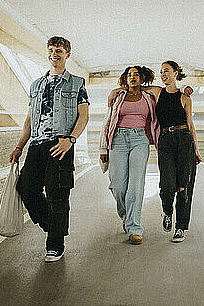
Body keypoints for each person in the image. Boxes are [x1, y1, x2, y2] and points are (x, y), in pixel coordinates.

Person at [9, 36, 89, 262]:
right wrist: (19, 146)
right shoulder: (36, 85)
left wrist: (70, 140)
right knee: (26, 189)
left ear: (67, 55)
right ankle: (54, 227)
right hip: (36, 145)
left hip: (60, 145)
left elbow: (83, 116)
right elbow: (29, 119)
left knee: (57, 195)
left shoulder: (76, 83)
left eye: (60, 50)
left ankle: (55, 245)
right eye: (52, 50)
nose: (55, 54)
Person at [99, 66, 159, 245]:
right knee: (117, 185)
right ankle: (125, 216)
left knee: (136, 185)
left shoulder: (149, 97)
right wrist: (103, 148)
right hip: (117, 139)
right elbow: (108, 120)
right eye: (129, 75)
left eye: (136, 75)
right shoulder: (117, 97)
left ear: (142, 78)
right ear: (125, 78)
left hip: (140, 139)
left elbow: (163, 89)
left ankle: (134, 228)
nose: (132, 77)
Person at [154, 61, 202, 242]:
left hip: (184, 140)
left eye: (166, 71)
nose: (163, 74)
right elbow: (138, 86)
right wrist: (114, 91)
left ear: (176, 72)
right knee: (167, 184)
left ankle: (180, 227)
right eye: (161, 72)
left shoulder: (185, 98)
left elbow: (190, 125)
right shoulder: (158, 92)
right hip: (166, 140)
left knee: (184, 186)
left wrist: (196, 149)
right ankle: (167, 211)